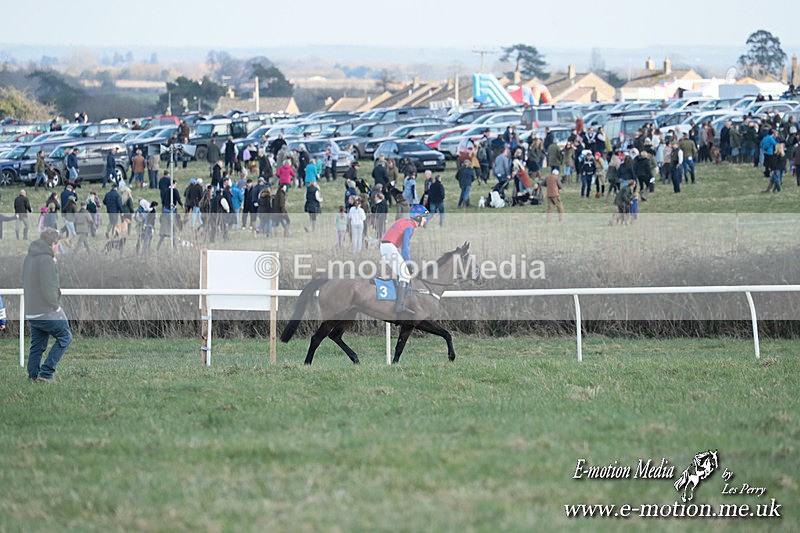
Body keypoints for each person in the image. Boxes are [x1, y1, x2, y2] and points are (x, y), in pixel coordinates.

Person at [22, 228, 73, 382]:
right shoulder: (46, 260)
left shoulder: (30, 257)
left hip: (31, 310)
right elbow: (49, 286)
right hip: (47, 310)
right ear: (52, 244)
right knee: (65, 337)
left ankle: (33, 376)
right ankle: (46, 373)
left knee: (37, 345)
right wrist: (55, 306)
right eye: (57, 244)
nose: (57, 247)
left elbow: (23, 279)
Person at [379, 204, 428, 315]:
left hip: (387, 247)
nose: (426, 220)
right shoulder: (410, 227)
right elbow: (405, 247)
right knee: (405, 274)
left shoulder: (407, 223)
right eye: (424, 217)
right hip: (389, 247)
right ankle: (399, 306)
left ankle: (398, 300)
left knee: (401, 274)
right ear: (418, 217)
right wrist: (408, 263)